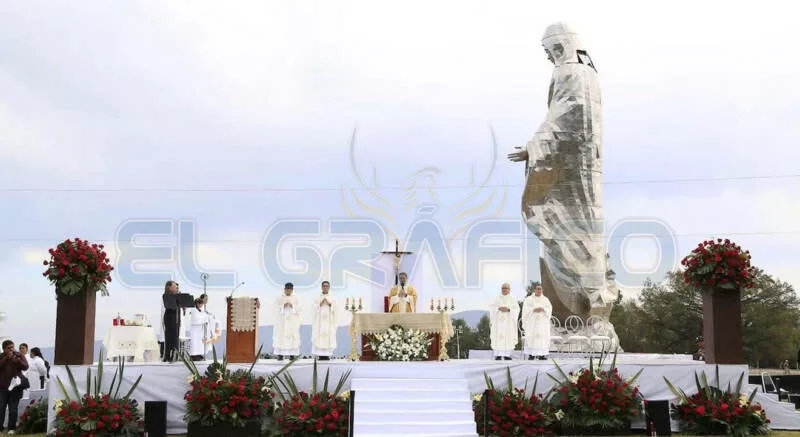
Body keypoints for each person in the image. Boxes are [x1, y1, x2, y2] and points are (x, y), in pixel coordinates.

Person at [0, 339, 28, 434]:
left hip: (15, 387)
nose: (12, 349)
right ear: (4, 349)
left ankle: (11, 428)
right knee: (1, 408)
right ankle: (0, 427)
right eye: (9, 348)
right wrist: (7, 358)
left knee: (13, 408)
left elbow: (25, 366)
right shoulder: (1, 356)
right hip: (2, 387)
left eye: (12, 347)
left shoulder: (19, 355)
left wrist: (14, 359)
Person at [489, 283, 520, 360]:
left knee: (508, 337)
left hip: (508, 323)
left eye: (506, 288)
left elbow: (517, 310)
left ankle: (507, 355)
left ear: (509, 290)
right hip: (498, 323)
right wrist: (498, 308)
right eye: (503, 288)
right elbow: (492, 308)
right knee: (498, 337)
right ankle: (498, 355)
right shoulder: (497, 298)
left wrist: (509, 309)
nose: (504, 290)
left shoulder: (512, 299)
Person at [522, 284, 553, 360]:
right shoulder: (529, 299)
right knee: (532, 337)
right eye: (537, 289)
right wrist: (533, 309)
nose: (539, 290)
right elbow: (525, 309)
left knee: (542, 338)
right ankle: (531, 354)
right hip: (532, 323)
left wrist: (544, 309)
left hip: (542, 323)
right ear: (534, 290)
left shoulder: (545, 299)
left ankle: (542, 355)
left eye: (540, 289)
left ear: (542, 291)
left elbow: (549, 308)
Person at [273, 282, 301, 360]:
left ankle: (292, 355)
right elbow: (274, 308)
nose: (288, 290)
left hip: (292, 321)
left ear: (292, 290)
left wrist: (293, 306)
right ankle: (280, 354)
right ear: (285, 289)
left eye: (290, 289)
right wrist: (283, 306)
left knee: (292, 337)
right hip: (282, 322)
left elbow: (300, 308)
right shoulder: (280, 298)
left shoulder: (295, 298)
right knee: (281, 337)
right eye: (287, 289)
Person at [311, 281, 337, 360]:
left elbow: (336, 309)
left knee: (329, 336)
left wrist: (330, 304)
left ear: (329, 287)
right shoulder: (317, 297)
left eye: (327, 286)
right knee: (319, 336)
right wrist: (320, 304)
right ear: (321, 287)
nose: (325, 287)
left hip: (329, 322)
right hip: (320, 322)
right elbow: (313, 308)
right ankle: (320, 354)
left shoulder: (332, 297)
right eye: (324, 286)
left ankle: (327, 355)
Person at [162, 280, 182, 362]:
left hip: (177, 317)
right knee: (169, 336)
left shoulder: (177, 295)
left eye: (176, 287)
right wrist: (177, 297)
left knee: (176, 336)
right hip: (170, 317)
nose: (176, 288)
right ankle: (167, 355)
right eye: (174, 287)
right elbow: (171, 306)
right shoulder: (166, 295)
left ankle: (175, 355)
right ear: (169, 287)